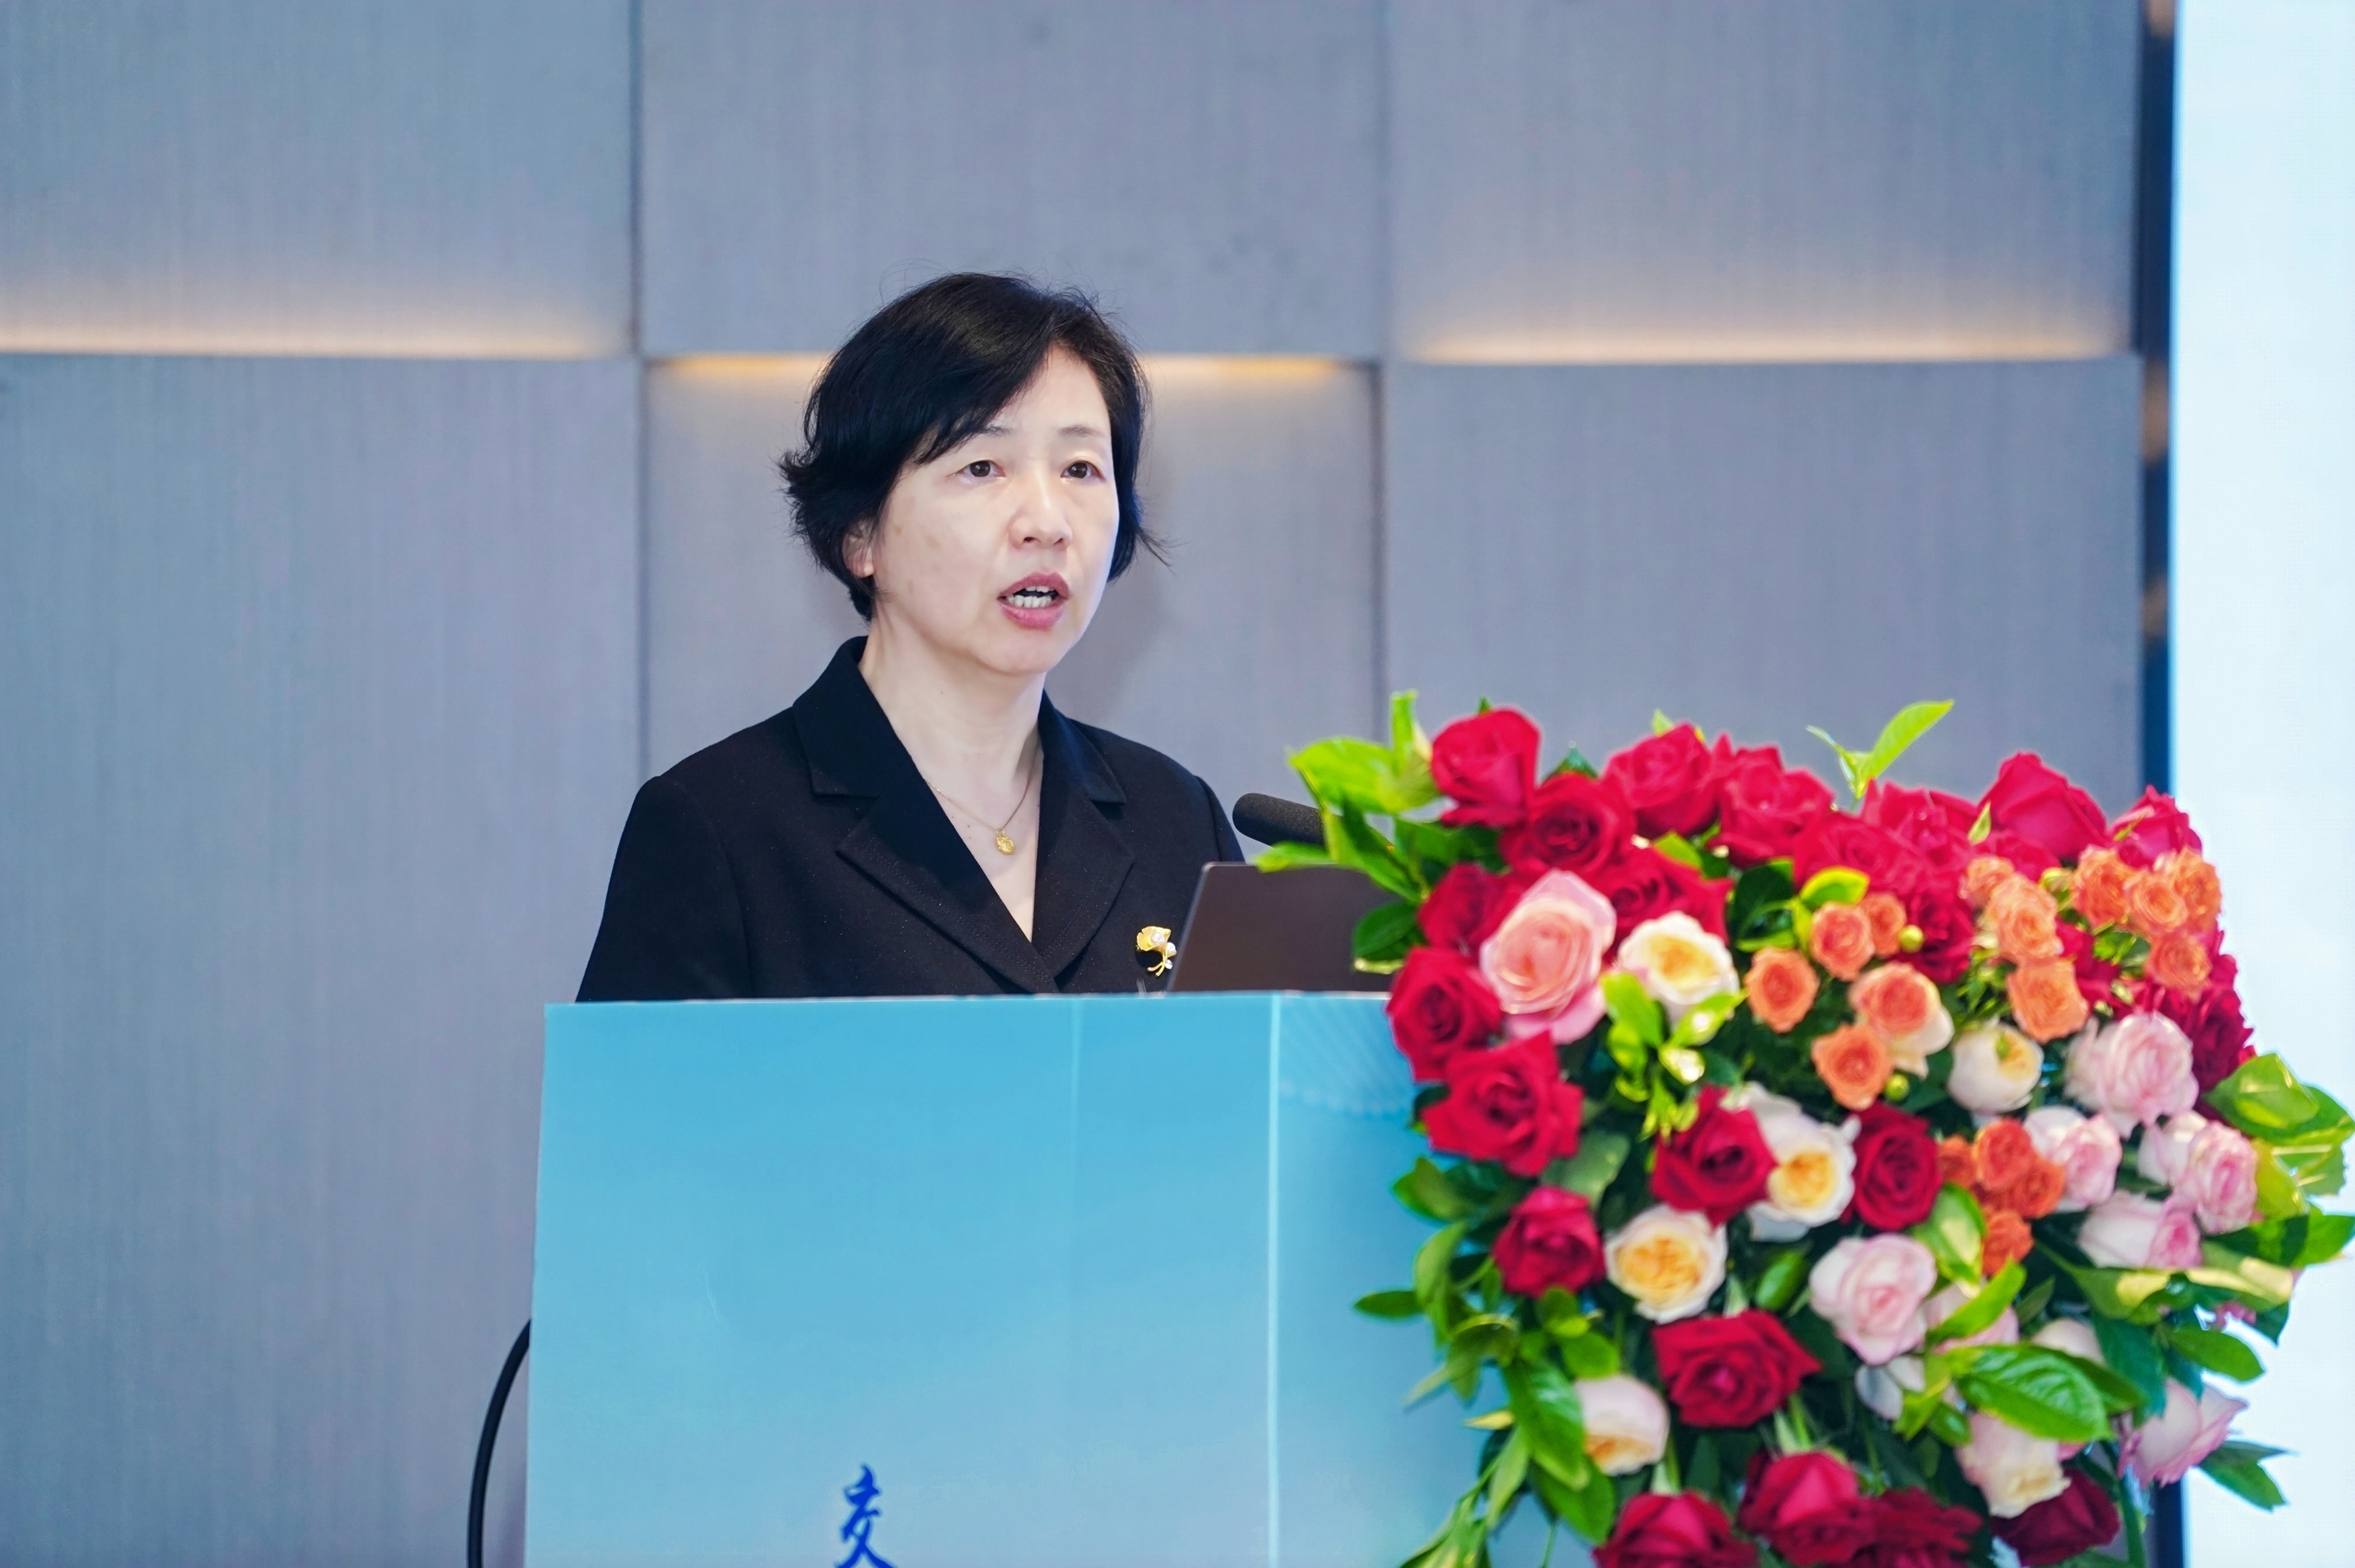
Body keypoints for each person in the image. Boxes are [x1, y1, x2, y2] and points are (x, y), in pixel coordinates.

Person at [577, 273, 1242, 1001]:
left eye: (1080, 469)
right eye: (982, 467)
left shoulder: (1177, 818)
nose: (1047, 523)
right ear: (861, 532)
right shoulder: (718, 829)